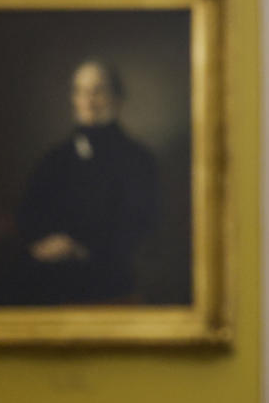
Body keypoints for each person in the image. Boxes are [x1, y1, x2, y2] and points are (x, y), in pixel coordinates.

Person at [11, 58, 159, 304]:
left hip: (105, 271)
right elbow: (27, 213)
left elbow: (140, 226)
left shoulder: (138, 159)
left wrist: (80, 248)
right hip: (46, 266)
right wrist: (43, 244)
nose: (88, 101)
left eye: (97, 91)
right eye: (80, 91)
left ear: (117, 98)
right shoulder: (55, 158)